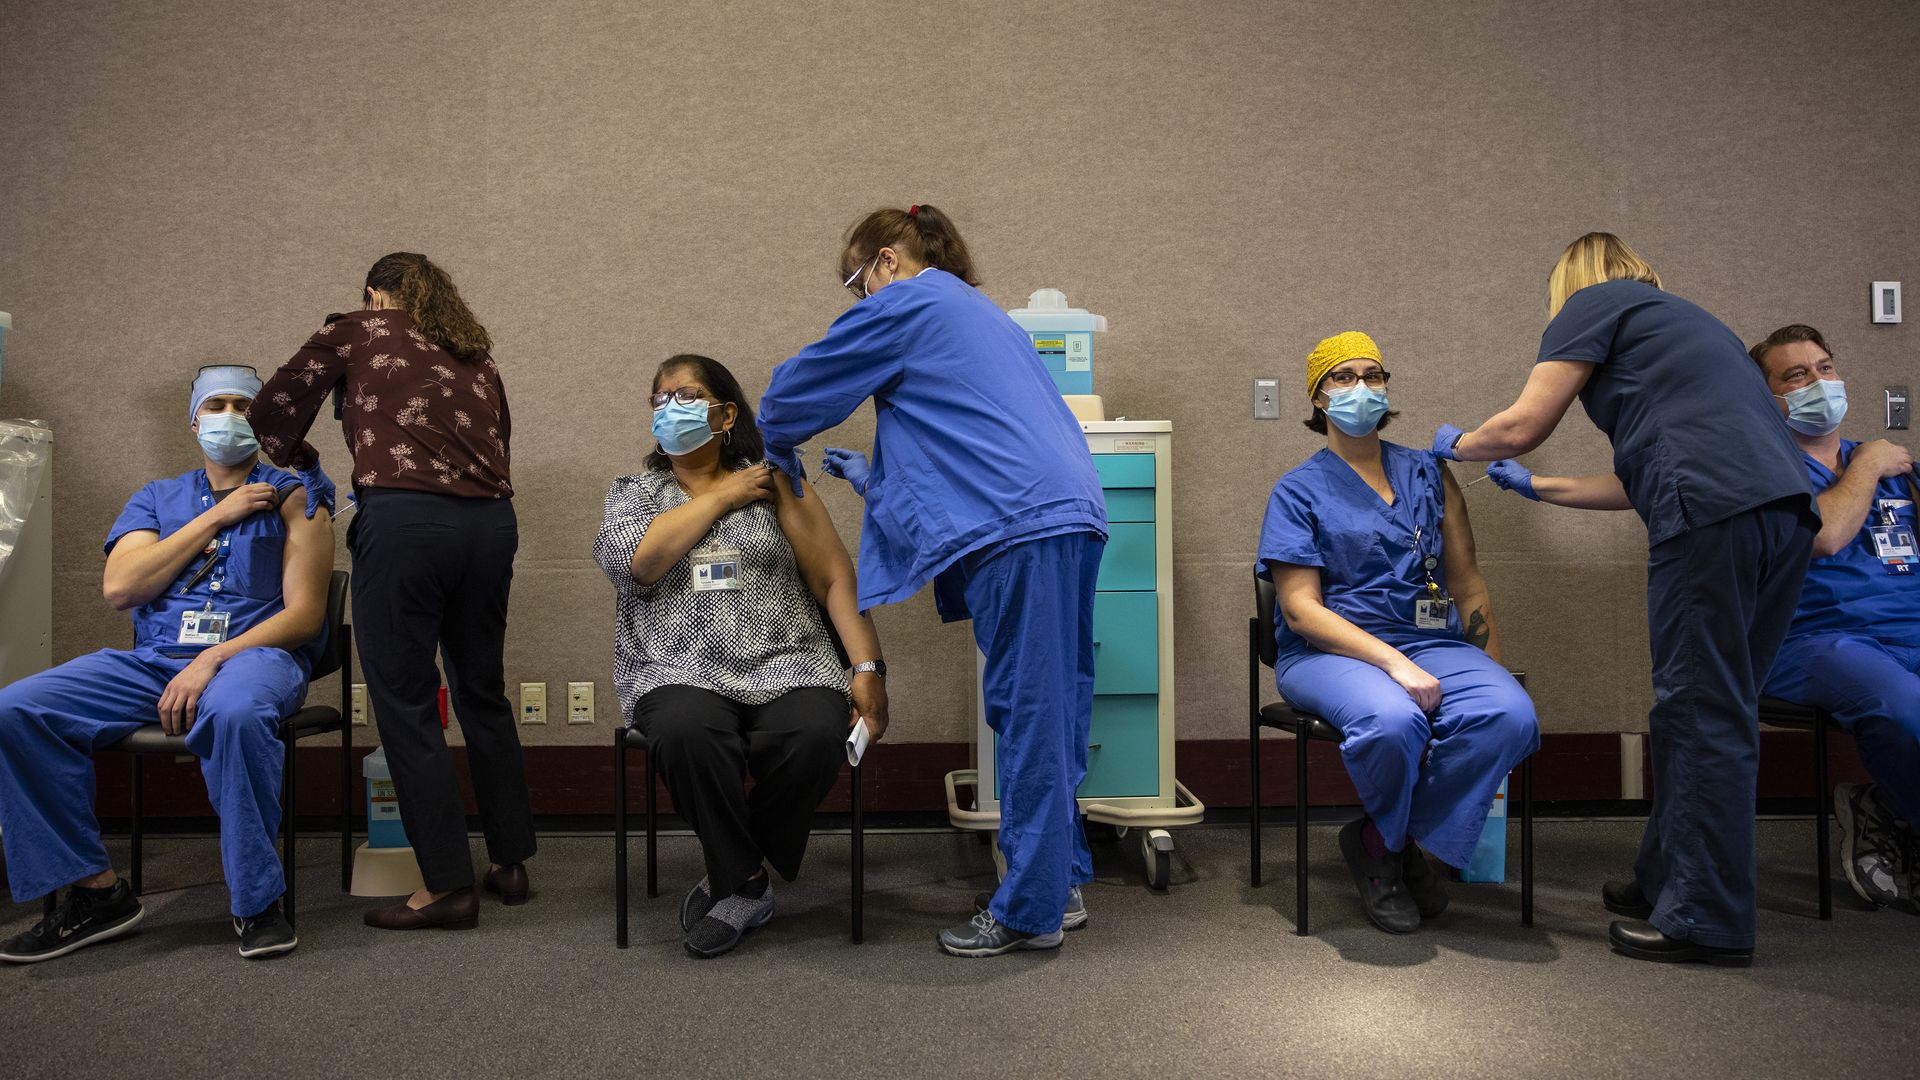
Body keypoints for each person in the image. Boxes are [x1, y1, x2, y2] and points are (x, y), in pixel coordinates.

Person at [1434, 233, 1817, 965]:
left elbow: (1524, 425)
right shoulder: (1693, 324)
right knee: (1710, 709)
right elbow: (1643, 480)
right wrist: (1537, 487)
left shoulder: (1593, 303)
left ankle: (1705, 919)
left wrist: (1459, 445)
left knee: (1701, 714)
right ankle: (1666, 879)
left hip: (1711, 518)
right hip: (1783, 515)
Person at [755, 204, 1107, 957]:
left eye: (859, 285)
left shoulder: (913, 298)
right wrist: (875, 475)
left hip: (1025, 525)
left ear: (886, 260)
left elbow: (797, 389)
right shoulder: (979, 314)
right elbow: (966, 435)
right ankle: (1061, 877)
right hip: (1065, 514)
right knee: (1057, 704)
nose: (861, 302)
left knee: (1031, 714)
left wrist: (772, 437)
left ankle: (1030, 912)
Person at [1488, 324, 1920, 908]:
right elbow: (1823, 533)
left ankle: (1889, 804)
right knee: (1901, 709)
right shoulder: (1761, 466)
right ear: (1763, 396)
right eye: (1795, 375)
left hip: (1905, 630)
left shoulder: (1898, 470)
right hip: (1813, 641)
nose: (1817, 383)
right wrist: (1536, 485)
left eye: (1823, 368)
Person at [0, 364, 333, 963]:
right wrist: (215, 517)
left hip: (253, 656)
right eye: (216, 405)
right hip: (154, 660)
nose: (229, 417)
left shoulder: (295, 496)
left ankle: (257, 901)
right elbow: (122, 588)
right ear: (194, 420)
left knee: (234, 712)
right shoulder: (156, 498)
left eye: (243, 405)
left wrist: (212, 659)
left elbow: (306, 617)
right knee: (16, 709)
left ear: (263, 420)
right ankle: (97, 893)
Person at [249, 252, 535, 931]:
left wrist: (304, 459)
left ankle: (445, 887)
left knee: (405, 703)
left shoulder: (356, 329)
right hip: (491, 526)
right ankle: (510, 862)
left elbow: (274, 410)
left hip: (406, 522)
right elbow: (501, 440)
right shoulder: (477, 354)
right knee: (482, 691)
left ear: (376, 294)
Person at [594, 355, 888, 959]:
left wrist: (866, 668)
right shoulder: (635, 493)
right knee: (683, 734)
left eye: (688, 395)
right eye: (660, 399)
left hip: (789, 661)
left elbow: (835, 578)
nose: (670, 407)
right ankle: (746, 881)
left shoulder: (776, 480)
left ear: (727, 415)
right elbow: (640, 562)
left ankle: (736, 871)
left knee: (814, 734)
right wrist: (724, 493)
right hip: (676, 667)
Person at [1258, 331, 1538, 934]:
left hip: (1433, 641)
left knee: (1510, 715)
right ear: (1317, 398)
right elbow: (1302, 610)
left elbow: (1467, 586)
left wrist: (1488, 667)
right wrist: (1393, 663)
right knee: (1391, 719)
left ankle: (1380, 839)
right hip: (1327, 651)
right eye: (1342, 377)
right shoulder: (1297, 491)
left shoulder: (1431, 475)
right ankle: (1392, 854)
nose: (1361, 388)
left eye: (1373, 374)